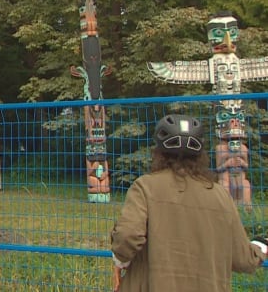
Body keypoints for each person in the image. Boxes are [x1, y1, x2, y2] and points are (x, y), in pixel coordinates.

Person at [110, 114, 267, 292]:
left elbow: (127, 236)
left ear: (159, 151)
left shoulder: (146, 187)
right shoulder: (220, 196)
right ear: (200, 154)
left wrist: (121, 260)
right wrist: (261, 245)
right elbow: (244, 260)